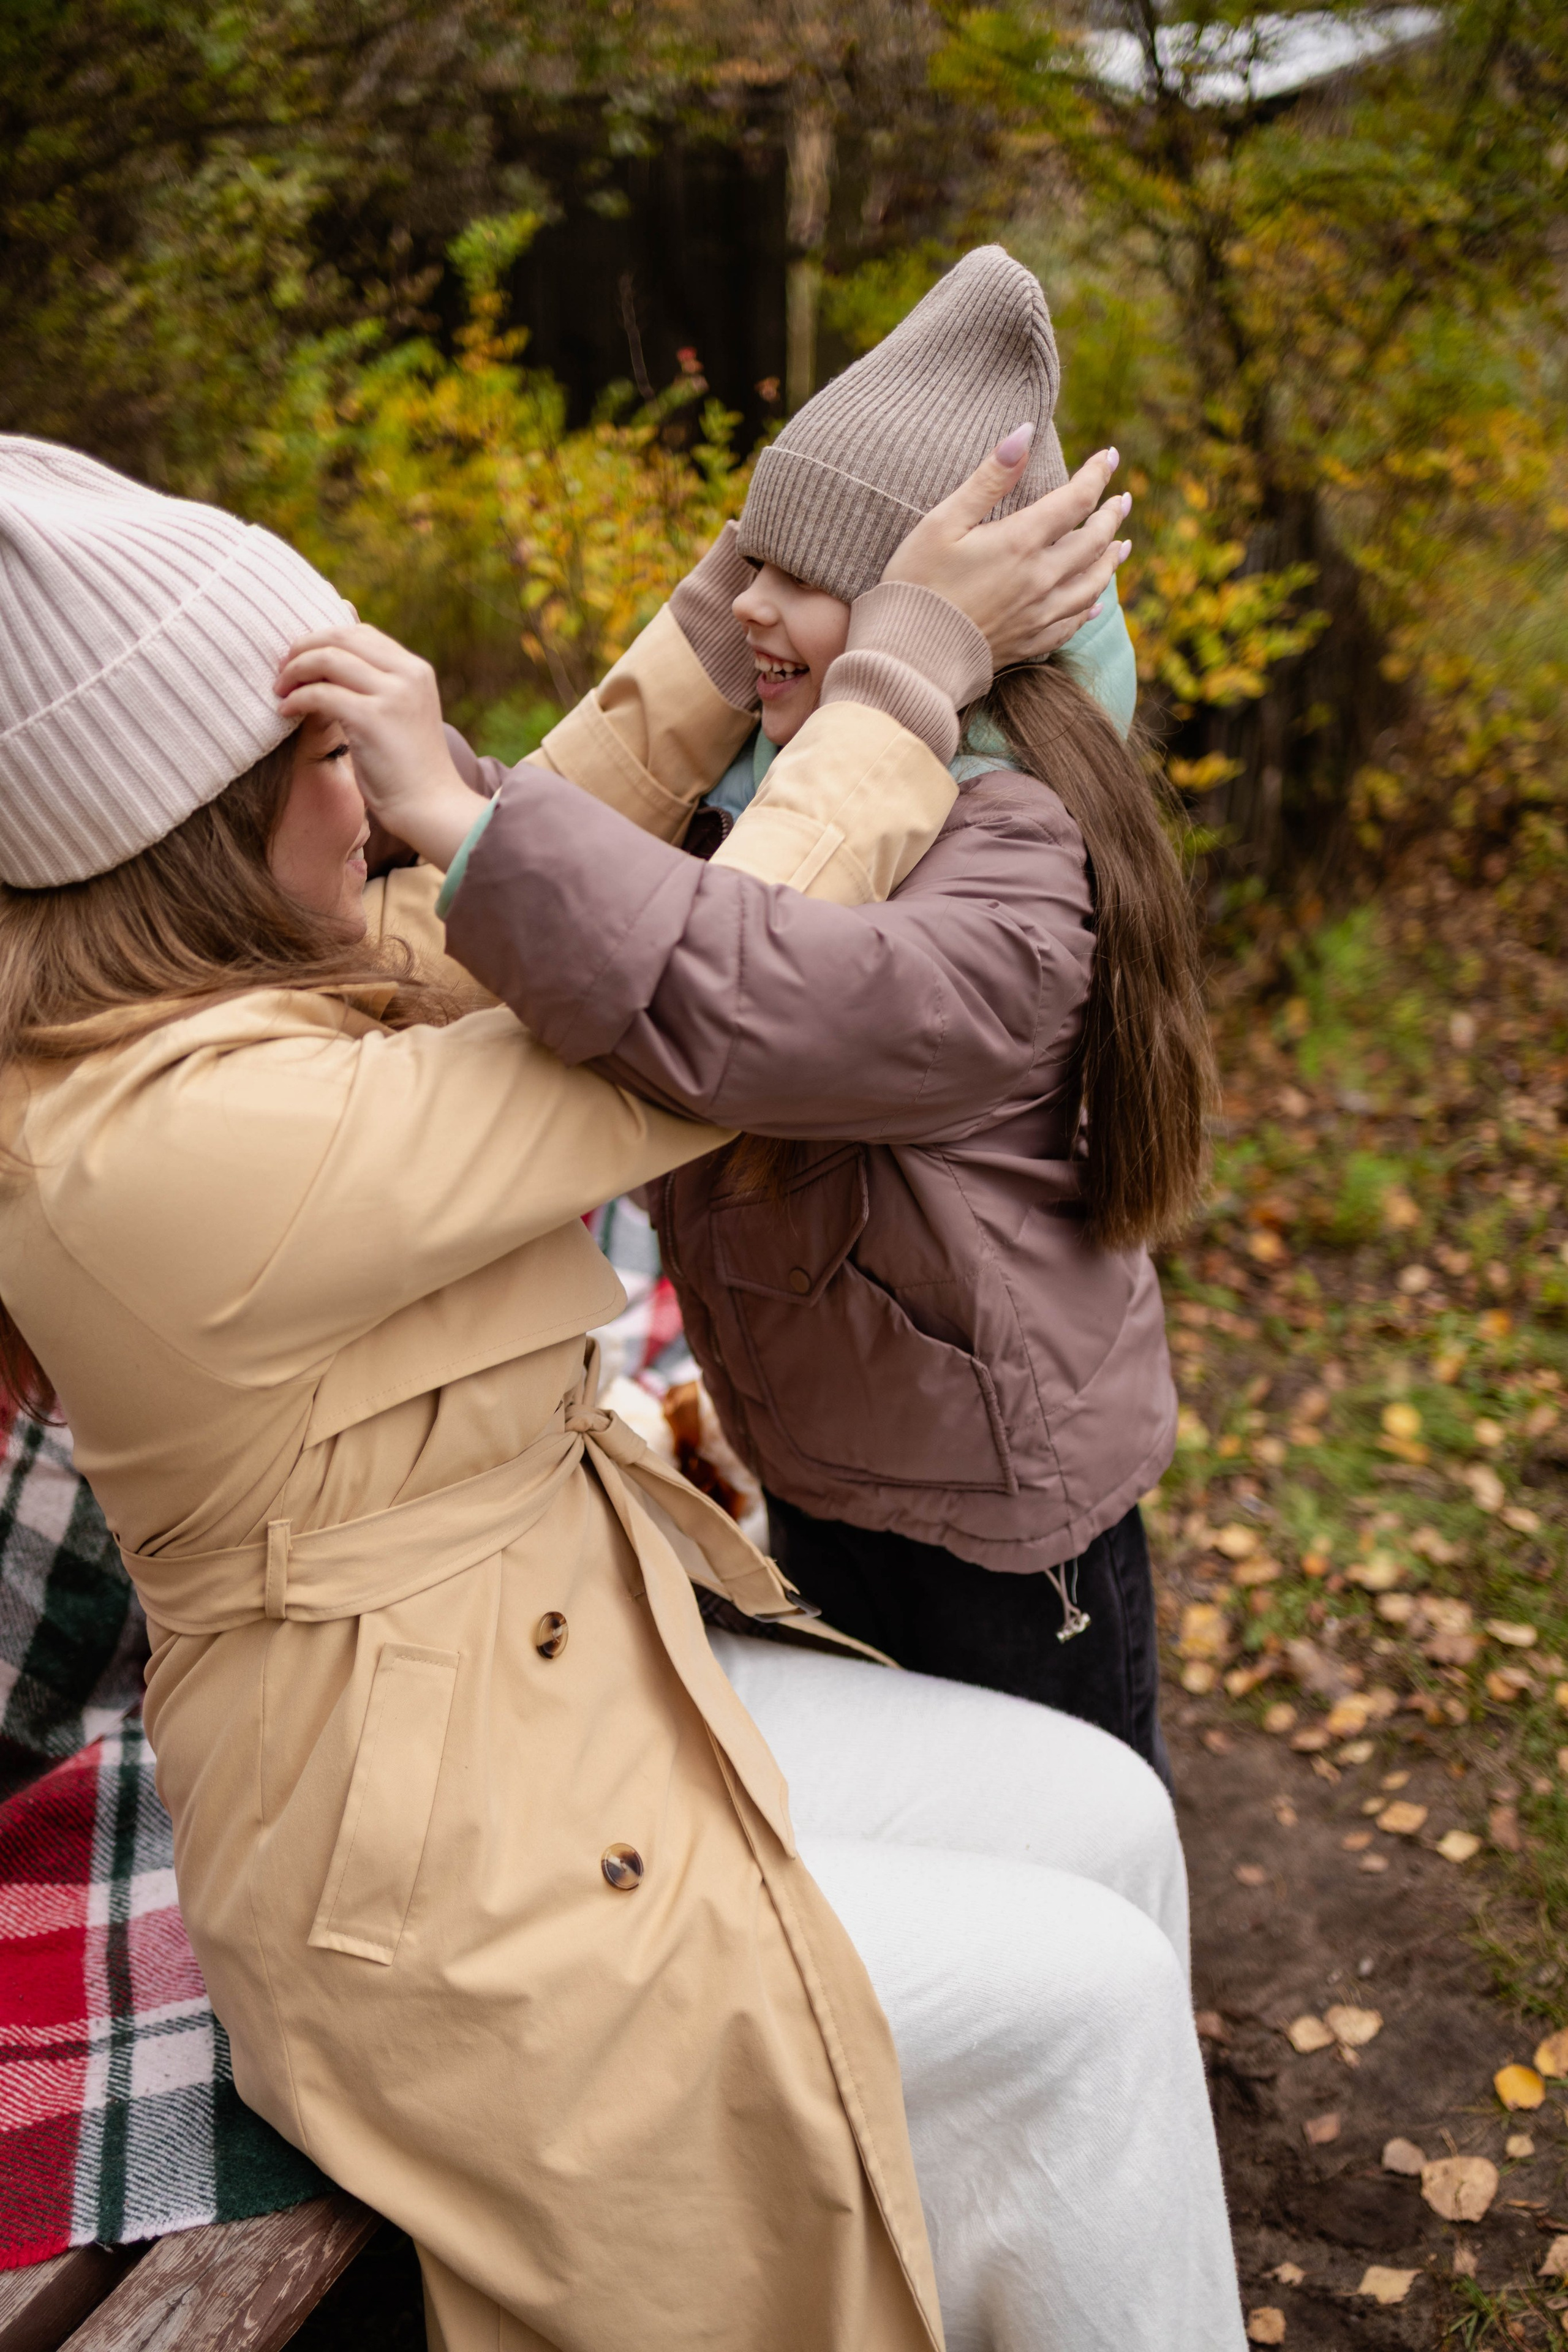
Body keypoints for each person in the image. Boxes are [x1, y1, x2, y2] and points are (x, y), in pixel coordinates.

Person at [0, 429, 1243, 2352]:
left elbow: (501, 904)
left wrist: (720, 601)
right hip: (424, 1874)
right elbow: (677, 1041)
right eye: (331, 760)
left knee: (1105, 1814)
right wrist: (898, 674)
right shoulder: (154, 1140)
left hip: (577, 1677)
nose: (383, 802)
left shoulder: (233, 994)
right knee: (1077, 2006)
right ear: (183, 836)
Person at [366, 248, 1215, 1785]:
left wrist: (461, 823)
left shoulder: (1014, 855)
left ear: (942, 639)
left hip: (998, 1529)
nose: (749, 603)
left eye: (802, 578)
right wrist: (453, 803)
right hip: (832, 1453)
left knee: (1069, 1847)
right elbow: (620, 874)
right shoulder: (784, 785)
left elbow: (753, 997)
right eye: (744, 563)